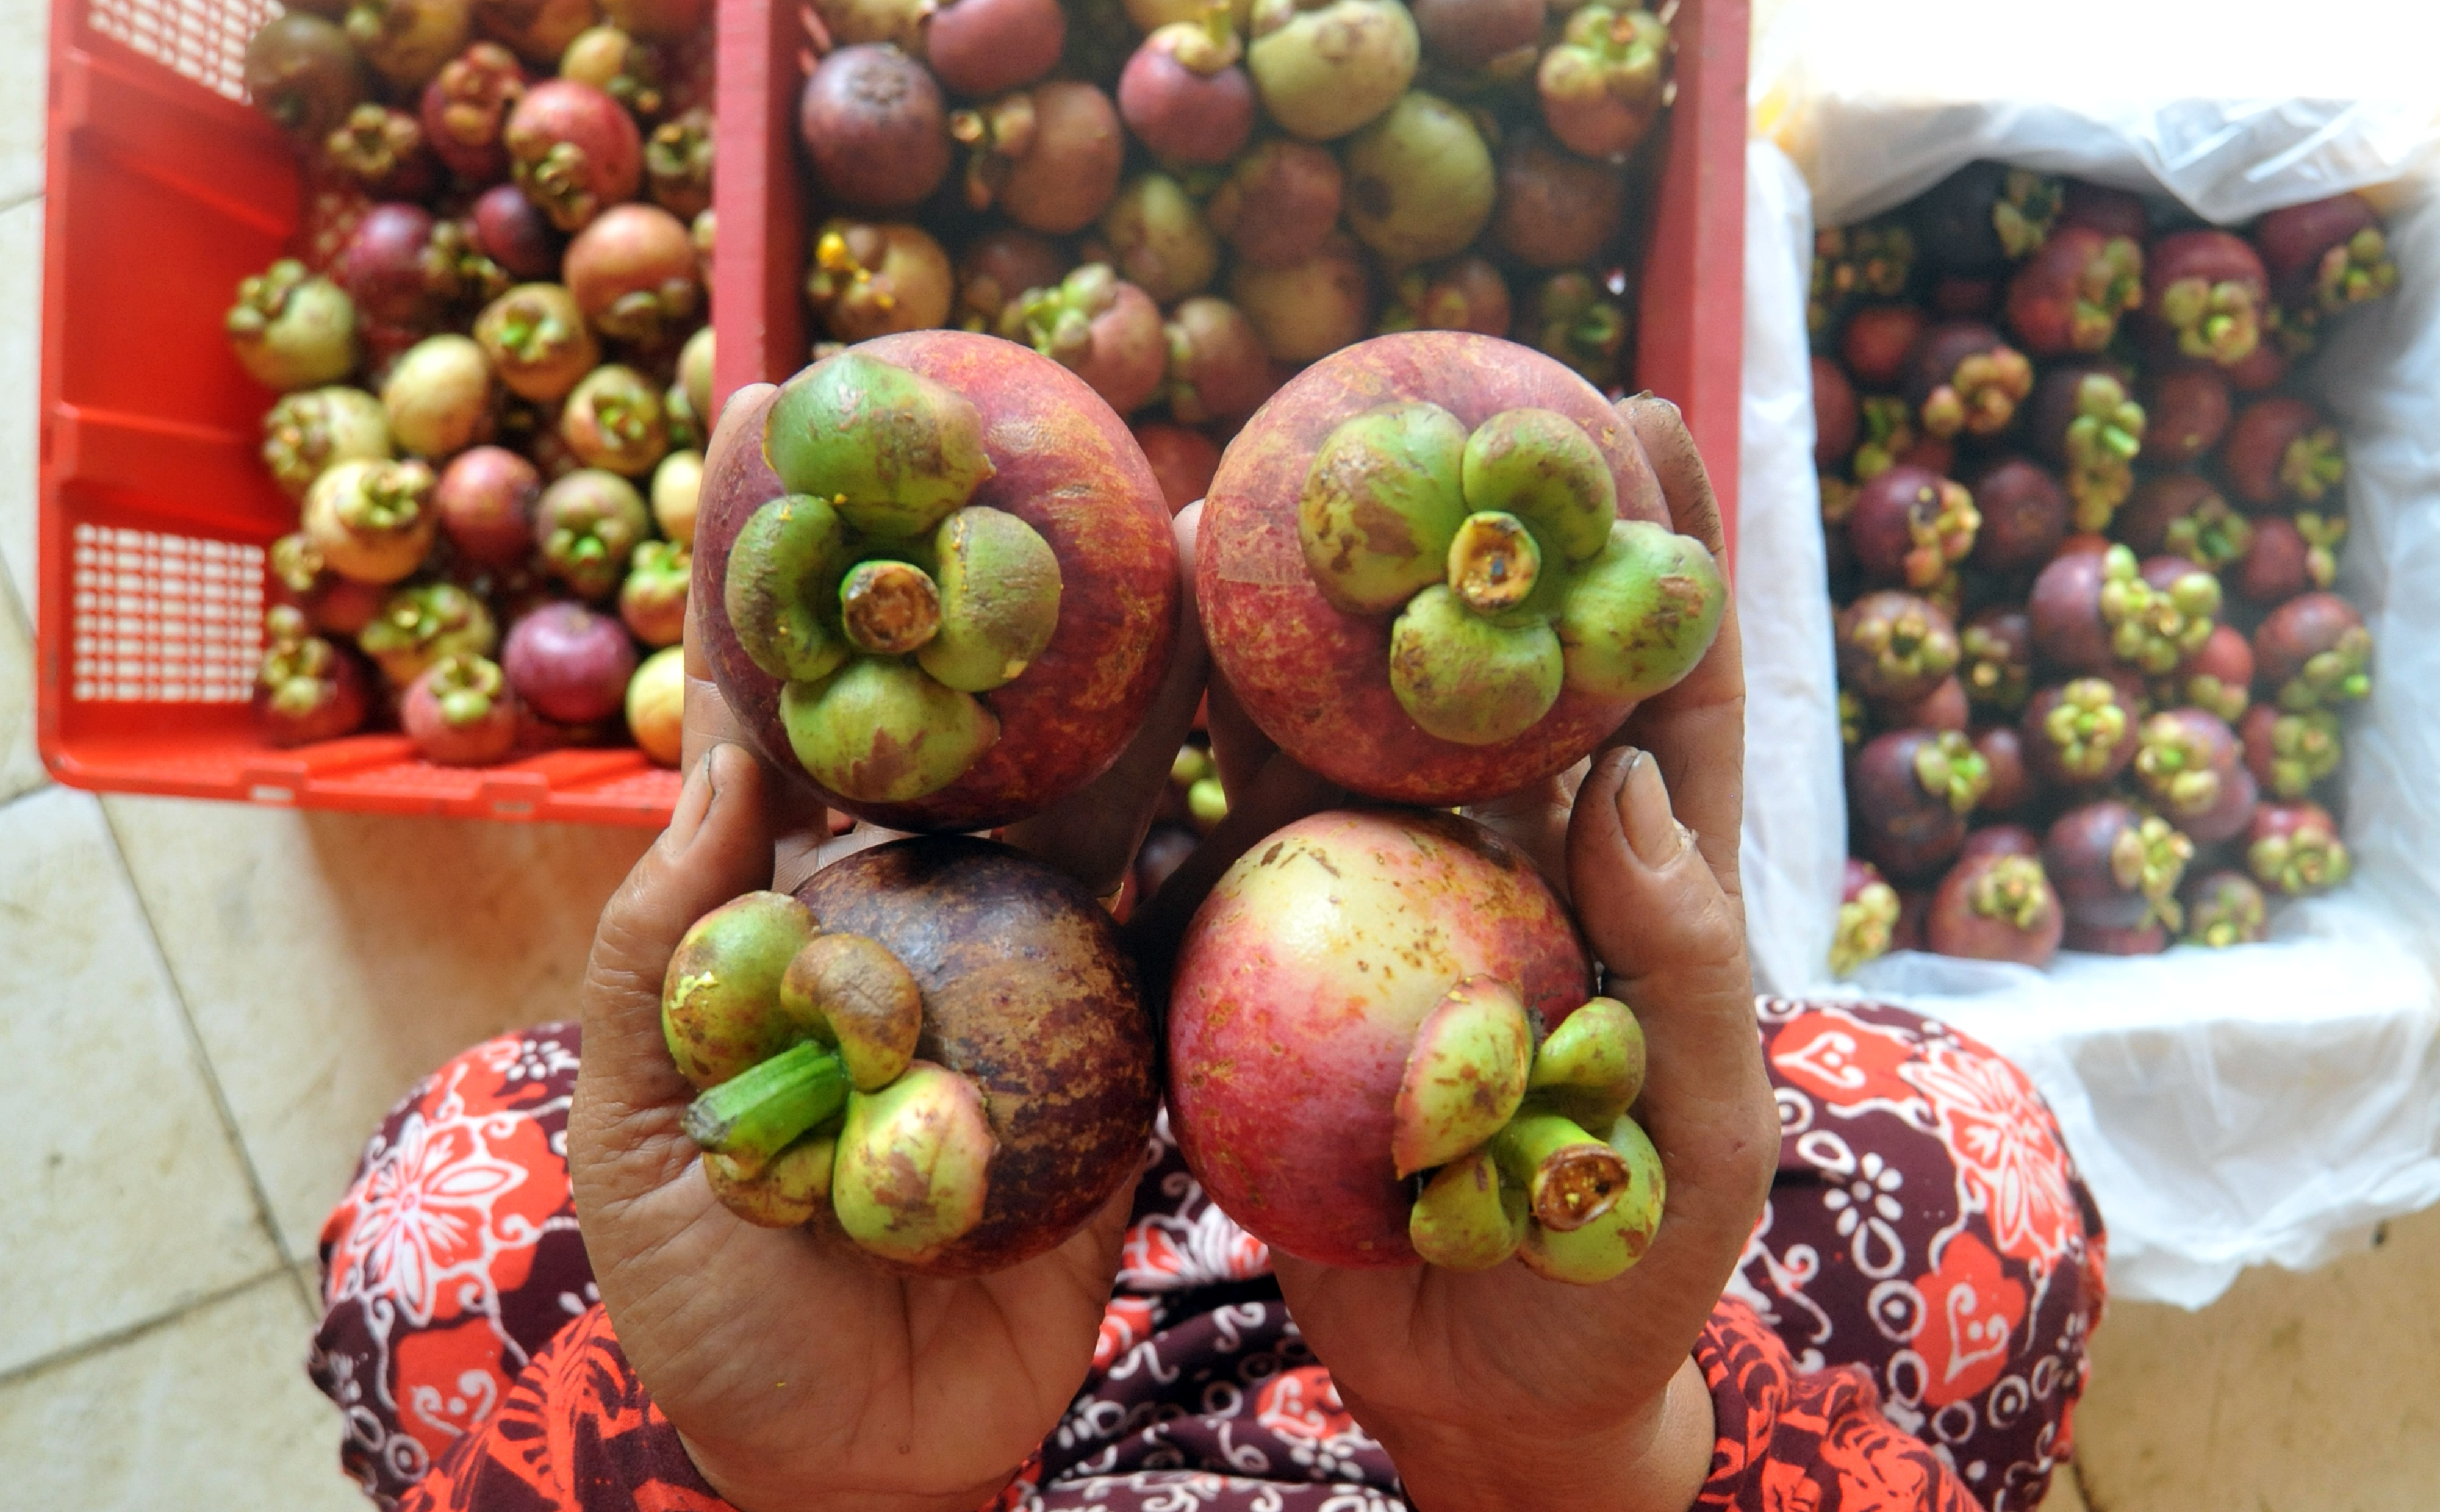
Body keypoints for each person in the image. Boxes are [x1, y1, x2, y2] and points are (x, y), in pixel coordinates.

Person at [310, 394, 2106, 1512]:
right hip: (1410, 1264)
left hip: (946, 1245)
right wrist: (1543, 1465)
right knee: (1974, 1160)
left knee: (446, 1204)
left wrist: (826, 1487)